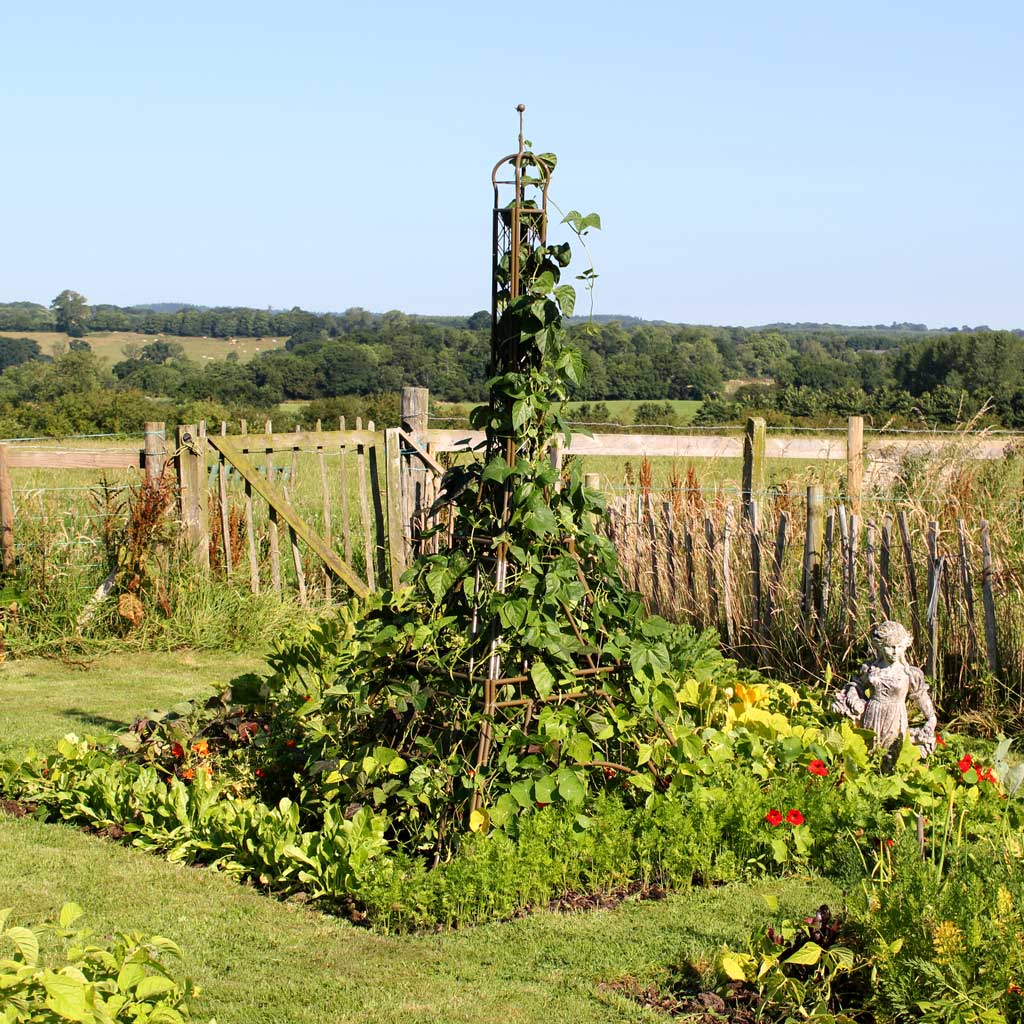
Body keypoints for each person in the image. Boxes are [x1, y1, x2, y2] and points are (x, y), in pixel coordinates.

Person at [831, 620, 937, 760]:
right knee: (870, 752)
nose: (894, 652)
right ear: (880, 646)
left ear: (905, 646)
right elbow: (855, 685)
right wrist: (854, 699)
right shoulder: (870, 669)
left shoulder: (909, 673)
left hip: (896, 716)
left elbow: (921, 697)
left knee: (892, 753)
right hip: (873, 714)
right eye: (889, 647)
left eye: (898, 647)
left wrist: (931, 717)